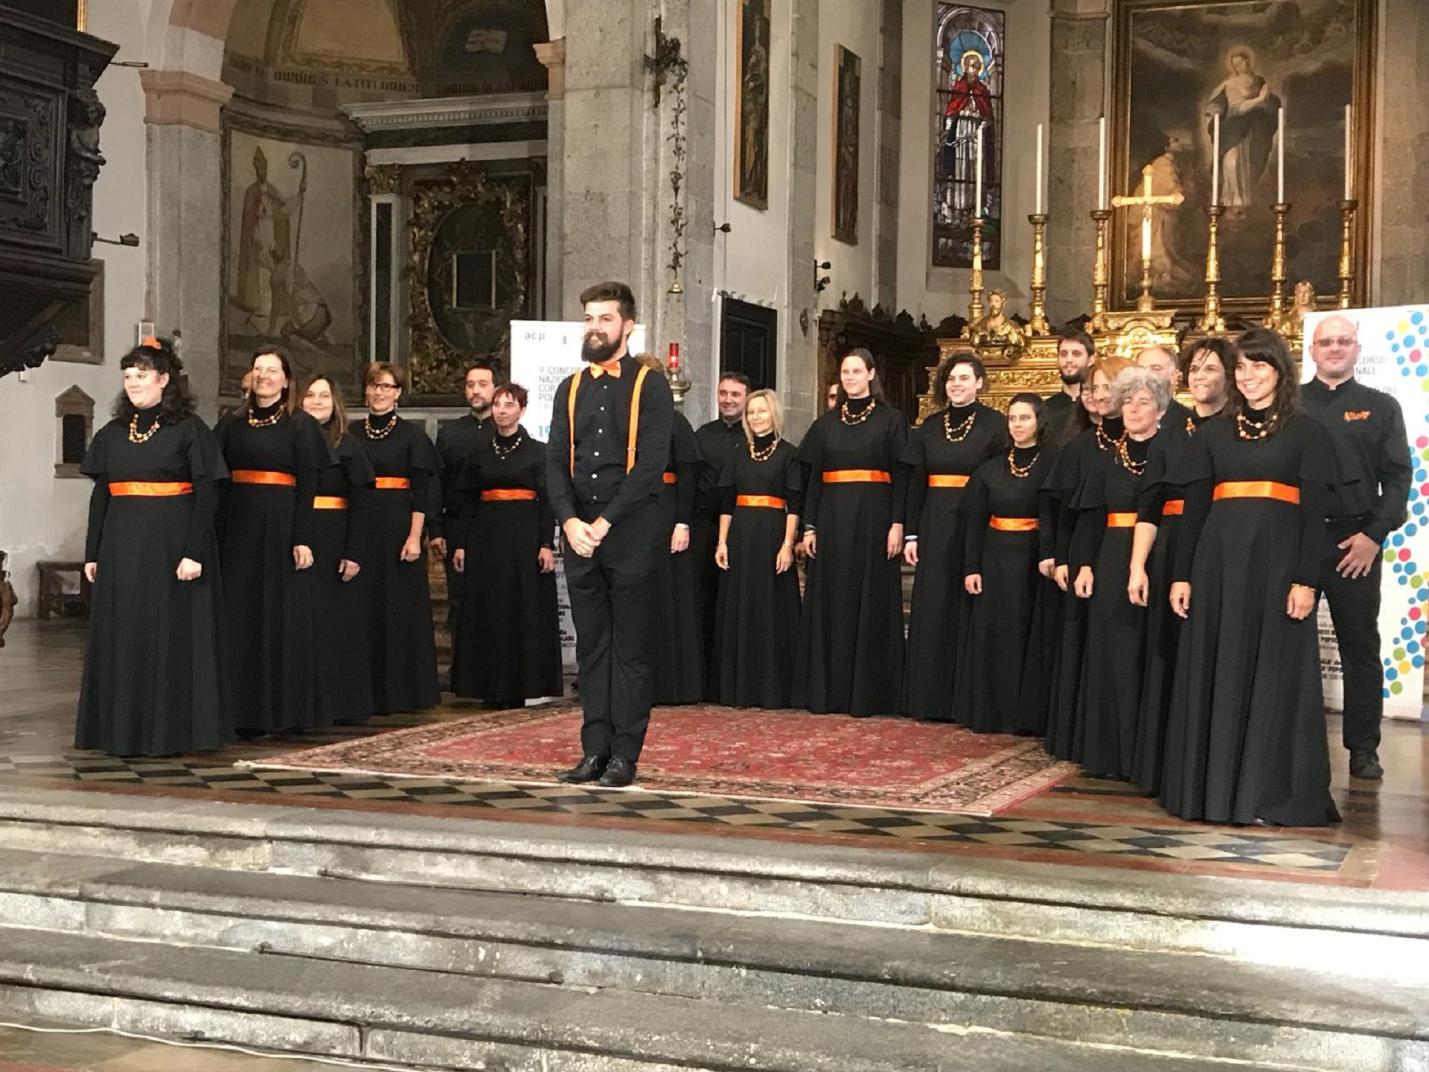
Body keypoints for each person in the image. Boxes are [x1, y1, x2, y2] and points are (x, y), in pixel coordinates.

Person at [1162, 328, 1339, 826]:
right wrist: (1182, 576)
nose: (1249, 376)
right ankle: (1213, 793)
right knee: (1217, 669)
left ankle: (1266, 795)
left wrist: (1308, 580)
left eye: (1259, 366)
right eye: (1241, 368)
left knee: (1273, 675)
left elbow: (1314, 517)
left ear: (1280, 370)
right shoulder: (1214, 433)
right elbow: (1195, 509)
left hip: (1278, 571)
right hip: (1216, 570)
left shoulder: (1308, 433)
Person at [546, 281, 674, 788]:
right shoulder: (570, 387)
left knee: (630, 649)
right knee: (592, 647)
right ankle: (593, 749)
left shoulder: (650, 385)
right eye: (589, 318)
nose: (594, 326)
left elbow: (649, 467)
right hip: (580, 535)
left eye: (604, 318)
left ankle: (626, 753)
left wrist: (603, 522)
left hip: (629, 532)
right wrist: (570, 521)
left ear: (627, 326)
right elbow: (555, 461)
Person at [76, 339, 231, 755]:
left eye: (141, 375)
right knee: (124, 635)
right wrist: (92, 553)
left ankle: (170, 731)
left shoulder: (190, 430)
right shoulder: (112, 433)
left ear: (164, 380)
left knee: (168, 637)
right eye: (127, 376)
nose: (132, 383)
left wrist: (195, 552)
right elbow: (102, 495)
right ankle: (119, 729)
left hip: (171, 551)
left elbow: (208, 494)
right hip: (121, 551)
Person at [1301, 314, 1411, 781]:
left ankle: (1364, 748)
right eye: (1327, 342)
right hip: (1299, 539)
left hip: (1356, 542)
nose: (1335, 348)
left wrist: (1374, 535)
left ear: (1356, 349)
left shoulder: (1381, 406)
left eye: (1344, 341)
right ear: (1312, 350)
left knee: (1360, 648)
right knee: (1291, 646)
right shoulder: (1291, 403)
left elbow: (1398, 478)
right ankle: (1294, 743)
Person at [1125, 337, 1232, 793]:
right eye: (1195, 370)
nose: (1202, 378)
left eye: (1212, 369)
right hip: (1170, 552)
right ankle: (1167, 766)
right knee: (1168, 658)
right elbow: (1149, 503)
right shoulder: (1174, 430)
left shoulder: (1240, 427)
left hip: (1224, 550)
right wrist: (1138, 567)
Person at [215, 347, 330, 733]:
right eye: (258, 368)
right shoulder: (231, 424)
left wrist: (303, 537)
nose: (264, 375)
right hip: (238, 528)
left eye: (272, 370)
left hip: (282, 529)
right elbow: (216, 478)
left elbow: (309, 484)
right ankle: (237, 710)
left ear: (286, 379)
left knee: (278, 616)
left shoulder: (301, 425)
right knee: (239, 616)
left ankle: (279, 711)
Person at [793, 348, 909, 716]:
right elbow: (813, 481)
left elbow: (902, 478)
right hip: (831, 522)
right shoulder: (825, 424)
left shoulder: (892, 420)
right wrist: (809, 527)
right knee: (832, 601)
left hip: (875, 522)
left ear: (872, 374)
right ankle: (829, 690)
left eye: (857, 371)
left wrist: (898, 525)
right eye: (845, 372)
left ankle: (869, 694)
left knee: (870, 599)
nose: (850, 378)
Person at [1069, 367, 1169, 778]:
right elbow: (1090, 518)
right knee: (1112, 650)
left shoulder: (1173, 452)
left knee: (1147, 650)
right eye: (1127, 400)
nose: (1133, 408)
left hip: (1158, 556)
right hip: (1110, 556)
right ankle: (1110, 752)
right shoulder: (1106, 460)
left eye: (1143, 401)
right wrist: (1085, 565)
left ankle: (1146, 755)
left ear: (1161, 410)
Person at [901, 351, 1008, 721]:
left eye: (964, 378)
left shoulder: (996, 425)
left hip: (976, 522)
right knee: (934, 607)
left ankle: (967, 700)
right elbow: (916, 482)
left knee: (967, 607)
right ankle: (929, 699)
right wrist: (911, 533)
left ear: (979, 382)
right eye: (951, 379)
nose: (956, 385)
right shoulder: (929, 426)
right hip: (934, 523)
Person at [449, 383, 561, 707]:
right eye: (497, 404)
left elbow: (548, 502)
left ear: (522, 410)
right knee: (489, 610)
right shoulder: (479, 453)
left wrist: (545, 544)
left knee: (522, 609)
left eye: (508, 405)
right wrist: (461, 544)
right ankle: (487, 685)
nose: (501, 410)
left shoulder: (539, 451)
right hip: (486, 541)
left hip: (525, 540)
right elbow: (466, 502)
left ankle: (521, 685)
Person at [1043, 353, 1132, 759]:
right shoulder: (1078, 445)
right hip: (1082, 549)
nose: (1097, 395)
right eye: (1091, 388)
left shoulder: (1143, 439)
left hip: (1128, 548)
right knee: (1080, 637)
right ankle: (1080, 735)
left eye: (1105, 387)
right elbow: (1060, 508)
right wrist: (1060, 557)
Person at [955, 393, 1058, 734]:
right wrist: (971, 567)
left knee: (1025, 635)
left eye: (1024, 418)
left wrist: (1049, 554)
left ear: (1039, 422)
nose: (1017, 425)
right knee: (995, 633)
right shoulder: (990, 467)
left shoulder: (1052, 462)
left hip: (1033, 560)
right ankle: (992, 711)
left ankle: (1024, 715)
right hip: (994, 555)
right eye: (1012, 418)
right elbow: (975, 520)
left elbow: (1052, 515)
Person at [349, 362, 441, 713]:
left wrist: (415, 536)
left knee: (399, 611)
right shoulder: (353, 434)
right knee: (364, 609)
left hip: (399, 530)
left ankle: (404, 692)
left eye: (387, 387)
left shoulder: (413, 437)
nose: (379, 393)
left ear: (398, 392)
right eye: (374, 386)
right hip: (362, 527)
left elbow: (423, 492)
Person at [713, 389, 803, 708]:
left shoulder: (789, 454)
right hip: (740, 535)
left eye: (761, 411)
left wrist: (787, 545)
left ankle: (772, 688)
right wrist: (722, 542)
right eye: (751, 412)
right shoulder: (737, 453)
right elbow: (726, 502)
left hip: (772, 535)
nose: (755, 417)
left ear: (774, 414)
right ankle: (738, 688)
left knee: (770, 608)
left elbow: (794, 505)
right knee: (740, 606)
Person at [295, 374, 376, 724]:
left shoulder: (347, 443)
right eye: (310, 395)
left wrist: (355, 551)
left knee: (336, 627)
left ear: (335, 402)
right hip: (298, 537)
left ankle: (339, 705)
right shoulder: (289, 438)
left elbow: (362, 500)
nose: (316, 401)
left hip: (335, 540)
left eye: (324, 395)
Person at [639, 353, 704, 704]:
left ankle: (671, 683)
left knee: (668, 597)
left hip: (666, 514)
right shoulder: (626, 421)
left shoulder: (676, 423)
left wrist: (682, 521)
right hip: (633, 516)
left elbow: (688, 475)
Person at [431, 358, 500, 636]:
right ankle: (461, 672)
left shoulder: (507, 431)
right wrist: (436, 529)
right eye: (470, 385)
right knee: (459, 600)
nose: (476, 391)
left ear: (496, 389)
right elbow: (437, 482)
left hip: (498, 527)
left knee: (495, 600)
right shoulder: (450, 433)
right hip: (457, 527)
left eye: (483, 384)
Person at [692, 371, 750, 695]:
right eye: (723, 393)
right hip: (705, 527)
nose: (728, 399)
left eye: (735, 395)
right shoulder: (703, 435)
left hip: (742, 528)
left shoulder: (754, 436)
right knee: (705, 599)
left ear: (747, 398)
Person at [1043, 329, 1093, 442]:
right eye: (1063, 354)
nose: (1069, 360)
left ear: (1090, 360)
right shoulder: (1045, 409)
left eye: (1076, 354)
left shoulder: (1096, 405)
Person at [1136, 344, 1194, 434]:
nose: (1146, 375)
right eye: (1141, 369)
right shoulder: (1126, 417)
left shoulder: (1189, 422)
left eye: (1155, 369)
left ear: (1174, 376)